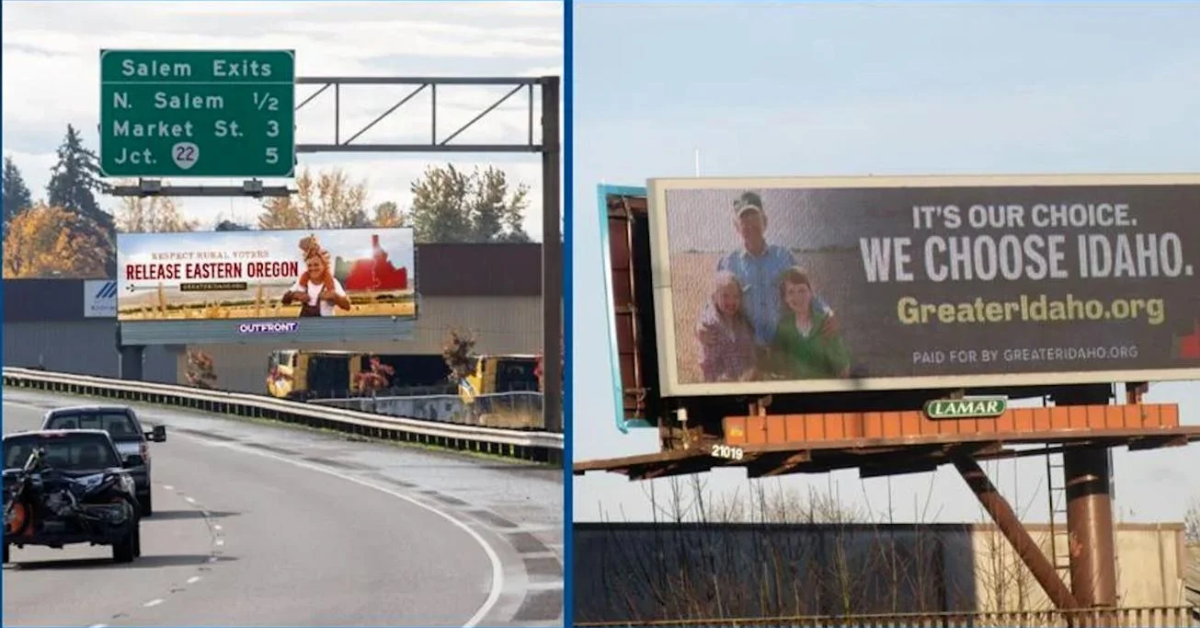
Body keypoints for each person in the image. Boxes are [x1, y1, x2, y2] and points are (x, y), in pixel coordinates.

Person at [716, 191, 832, 367]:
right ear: (736, 226)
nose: (750, 225)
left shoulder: (783, 257)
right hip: (746, 353)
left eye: (754, 218)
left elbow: (805, 291)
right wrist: (700, 327)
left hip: (784, 350)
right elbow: (713, 304)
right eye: (744, 221)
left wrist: (827, 313)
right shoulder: (727, 263)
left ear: (765, 222)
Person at [769, 267, 850, 379]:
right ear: (785, 298)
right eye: (791, 292)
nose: (797, 297)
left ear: (811, 293)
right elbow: (778, 367)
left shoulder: (825, 324)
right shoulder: (783, 327)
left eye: (802, 290)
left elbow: (843, 369)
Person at [695, 271, 757, 382]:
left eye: (736, 296)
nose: (731, 301)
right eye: (725, 296)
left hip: (744, 382)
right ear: (715, 297)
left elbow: (750, 356)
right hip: (720, 385)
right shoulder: (710, 325)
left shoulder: (743, 323)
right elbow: (707, 363)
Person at [281, 235, 352, 317]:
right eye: (309, 265)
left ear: (324, 266)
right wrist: (294, 295)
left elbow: (347, 306)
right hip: (305, 326)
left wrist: (335, 296)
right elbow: (284, 300)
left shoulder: (333, 282)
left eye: (316, 265)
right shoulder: (303, 280)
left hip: (325, 326)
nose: (313, 268)